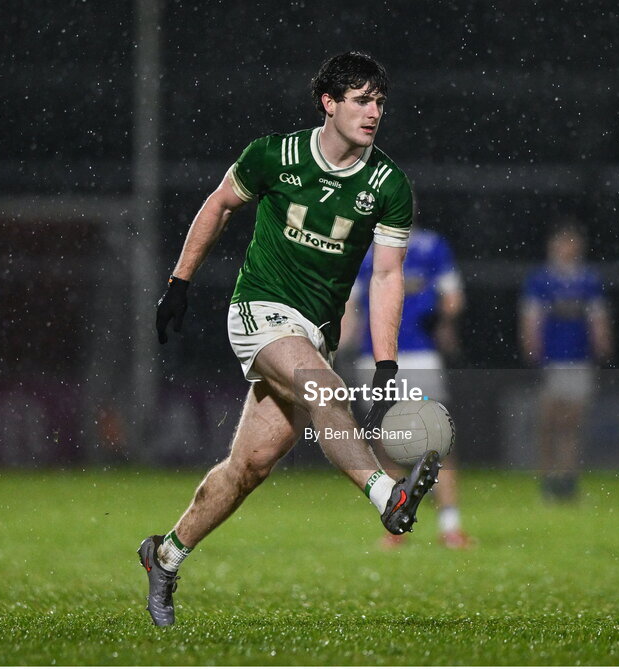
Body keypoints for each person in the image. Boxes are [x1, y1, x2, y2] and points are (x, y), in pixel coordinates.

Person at [141, 52, 441, 627]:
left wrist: (385, 362)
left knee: (249, 466)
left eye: (379, 101)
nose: (373, 111)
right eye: (360, 99)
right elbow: (220, 204)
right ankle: (388, 497)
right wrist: (179, 281)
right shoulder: (274, 155)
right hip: (259, 312)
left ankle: (165, 554)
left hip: (315, 333)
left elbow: (385, 274)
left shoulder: (389, 185)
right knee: (323, 389)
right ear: (328, 103)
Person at [341, 226, 472, 549]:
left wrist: (434, 320)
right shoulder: (365, 249)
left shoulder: (430, 246)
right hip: (378, 358)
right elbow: (350, 305)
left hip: (415, 354)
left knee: (437, 439)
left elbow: (453, 299)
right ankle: (401, 523)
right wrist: (340, 347)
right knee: (393, 443)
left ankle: (449, 525)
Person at [519, 221, 613, 502]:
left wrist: (603, 342)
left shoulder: (588, 279)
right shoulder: (540, 279)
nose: (566, 248)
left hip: (579, 359)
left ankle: (568, 482)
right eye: (561, 242)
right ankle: (548, 482)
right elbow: (530, 316)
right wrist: (531, 345)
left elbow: (598, 316)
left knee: (573, 423)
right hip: (552, 360)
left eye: (571, 242)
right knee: (549, 422)